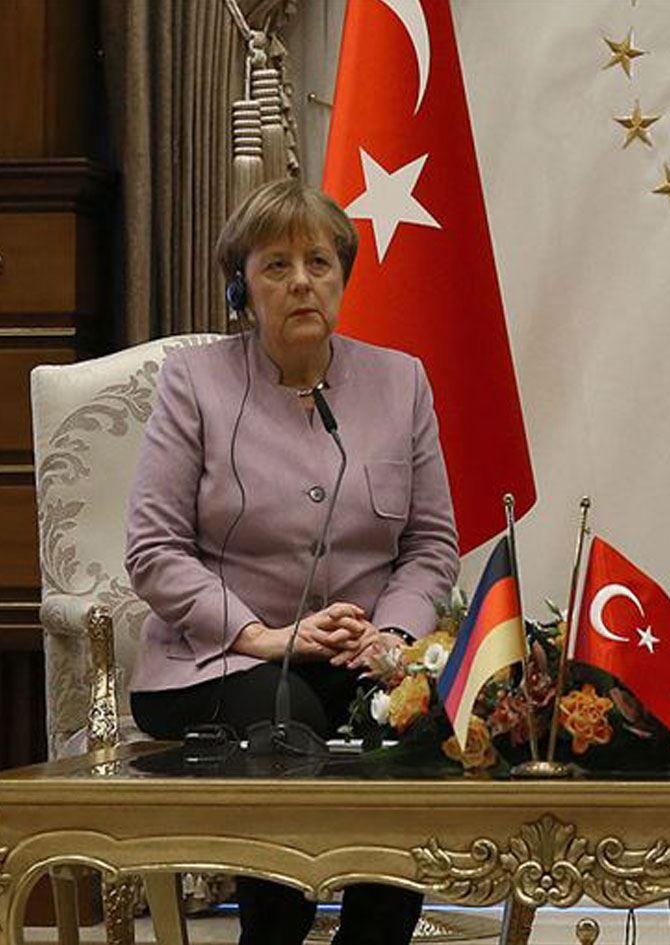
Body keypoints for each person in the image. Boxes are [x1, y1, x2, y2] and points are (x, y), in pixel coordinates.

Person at [126, 179, 460, 945]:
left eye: (319, 262)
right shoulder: (195, 383)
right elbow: (153, 548)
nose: (302, 281)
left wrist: (391, 639)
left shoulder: (400, 382)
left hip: (359, 656)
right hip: (216, 661)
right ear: (241, 288)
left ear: (343, 278)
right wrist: (264, 635)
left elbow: (430, 544)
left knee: (414, 722)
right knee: (289, 721)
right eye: (276, 265)